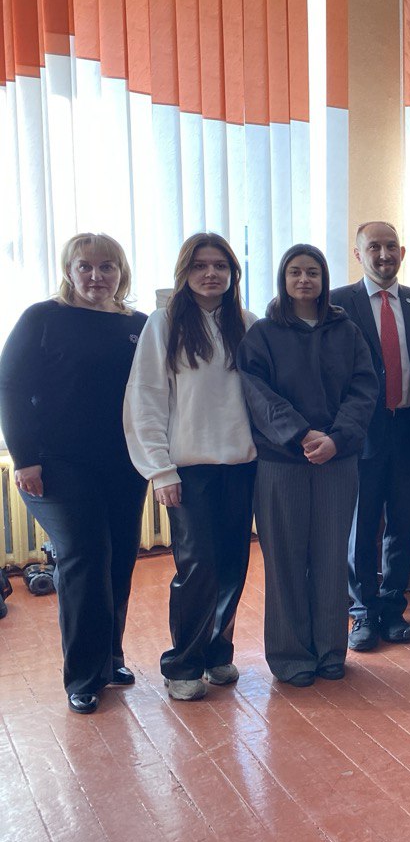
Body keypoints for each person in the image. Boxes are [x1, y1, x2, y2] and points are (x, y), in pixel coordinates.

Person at [0, 233, 148, 714]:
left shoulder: (139, 325)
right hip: (56, 465)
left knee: (119, 557)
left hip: (125, 464)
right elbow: (10, 387)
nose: (96, 276)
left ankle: (110, 656)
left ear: (121, 272)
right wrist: (24, 458)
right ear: (69, 270)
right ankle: (84, 676)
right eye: (85, 266)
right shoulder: (42, 318)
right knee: (85, 555)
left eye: (107, 266)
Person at [124, 233, 258, 702]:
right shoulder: (164, 323)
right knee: (197, 567)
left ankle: (218, 652)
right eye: (200, 265)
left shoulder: (247, 323)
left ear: (233, 273)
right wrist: (160, 470)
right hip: (188, 470)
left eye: (220, 265)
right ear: (185, 272)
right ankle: (183, 663)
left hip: (241, 466)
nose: (211, 274)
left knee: (233, 565)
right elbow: (145, 398)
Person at [237, 244, 377, 687]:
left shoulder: (347, 331)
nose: (304, 280)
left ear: (323, 279)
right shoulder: (262, 334)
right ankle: (291, 656)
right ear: (283, 278)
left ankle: (331, 650)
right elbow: (256, 392)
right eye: (295, 272)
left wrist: (336, 439)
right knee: (285, 558)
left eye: (312, 272)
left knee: (332, 556)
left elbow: (364, 389)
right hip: (281, 462)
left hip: (338, 460)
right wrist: (299, 433)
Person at [330, 221, 410, 651]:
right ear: (358, 254)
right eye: (373, 246)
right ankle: (362, 612)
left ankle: (393, 609)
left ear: (402, 252)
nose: (383, 254)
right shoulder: (338, 303)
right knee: (362, 526)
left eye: (391, 246)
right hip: (361, 432)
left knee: (402, 522)